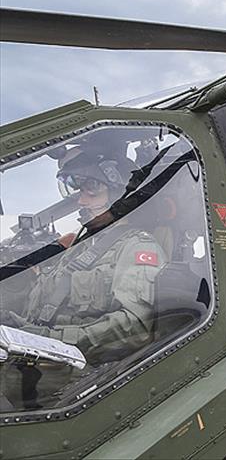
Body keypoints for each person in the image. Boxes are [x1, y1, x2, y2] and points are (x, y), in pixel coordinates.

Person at [1, 146, 166, 367]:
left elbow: (133, 327)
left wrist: (51, 339)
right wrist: (15, 321)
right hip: (36, 358)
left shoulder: (137, 248)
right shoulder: (82, 246)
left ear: (119, 196)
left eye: (93, 193)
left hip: (74, 370)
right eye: (80, 192)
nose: (81, 201)